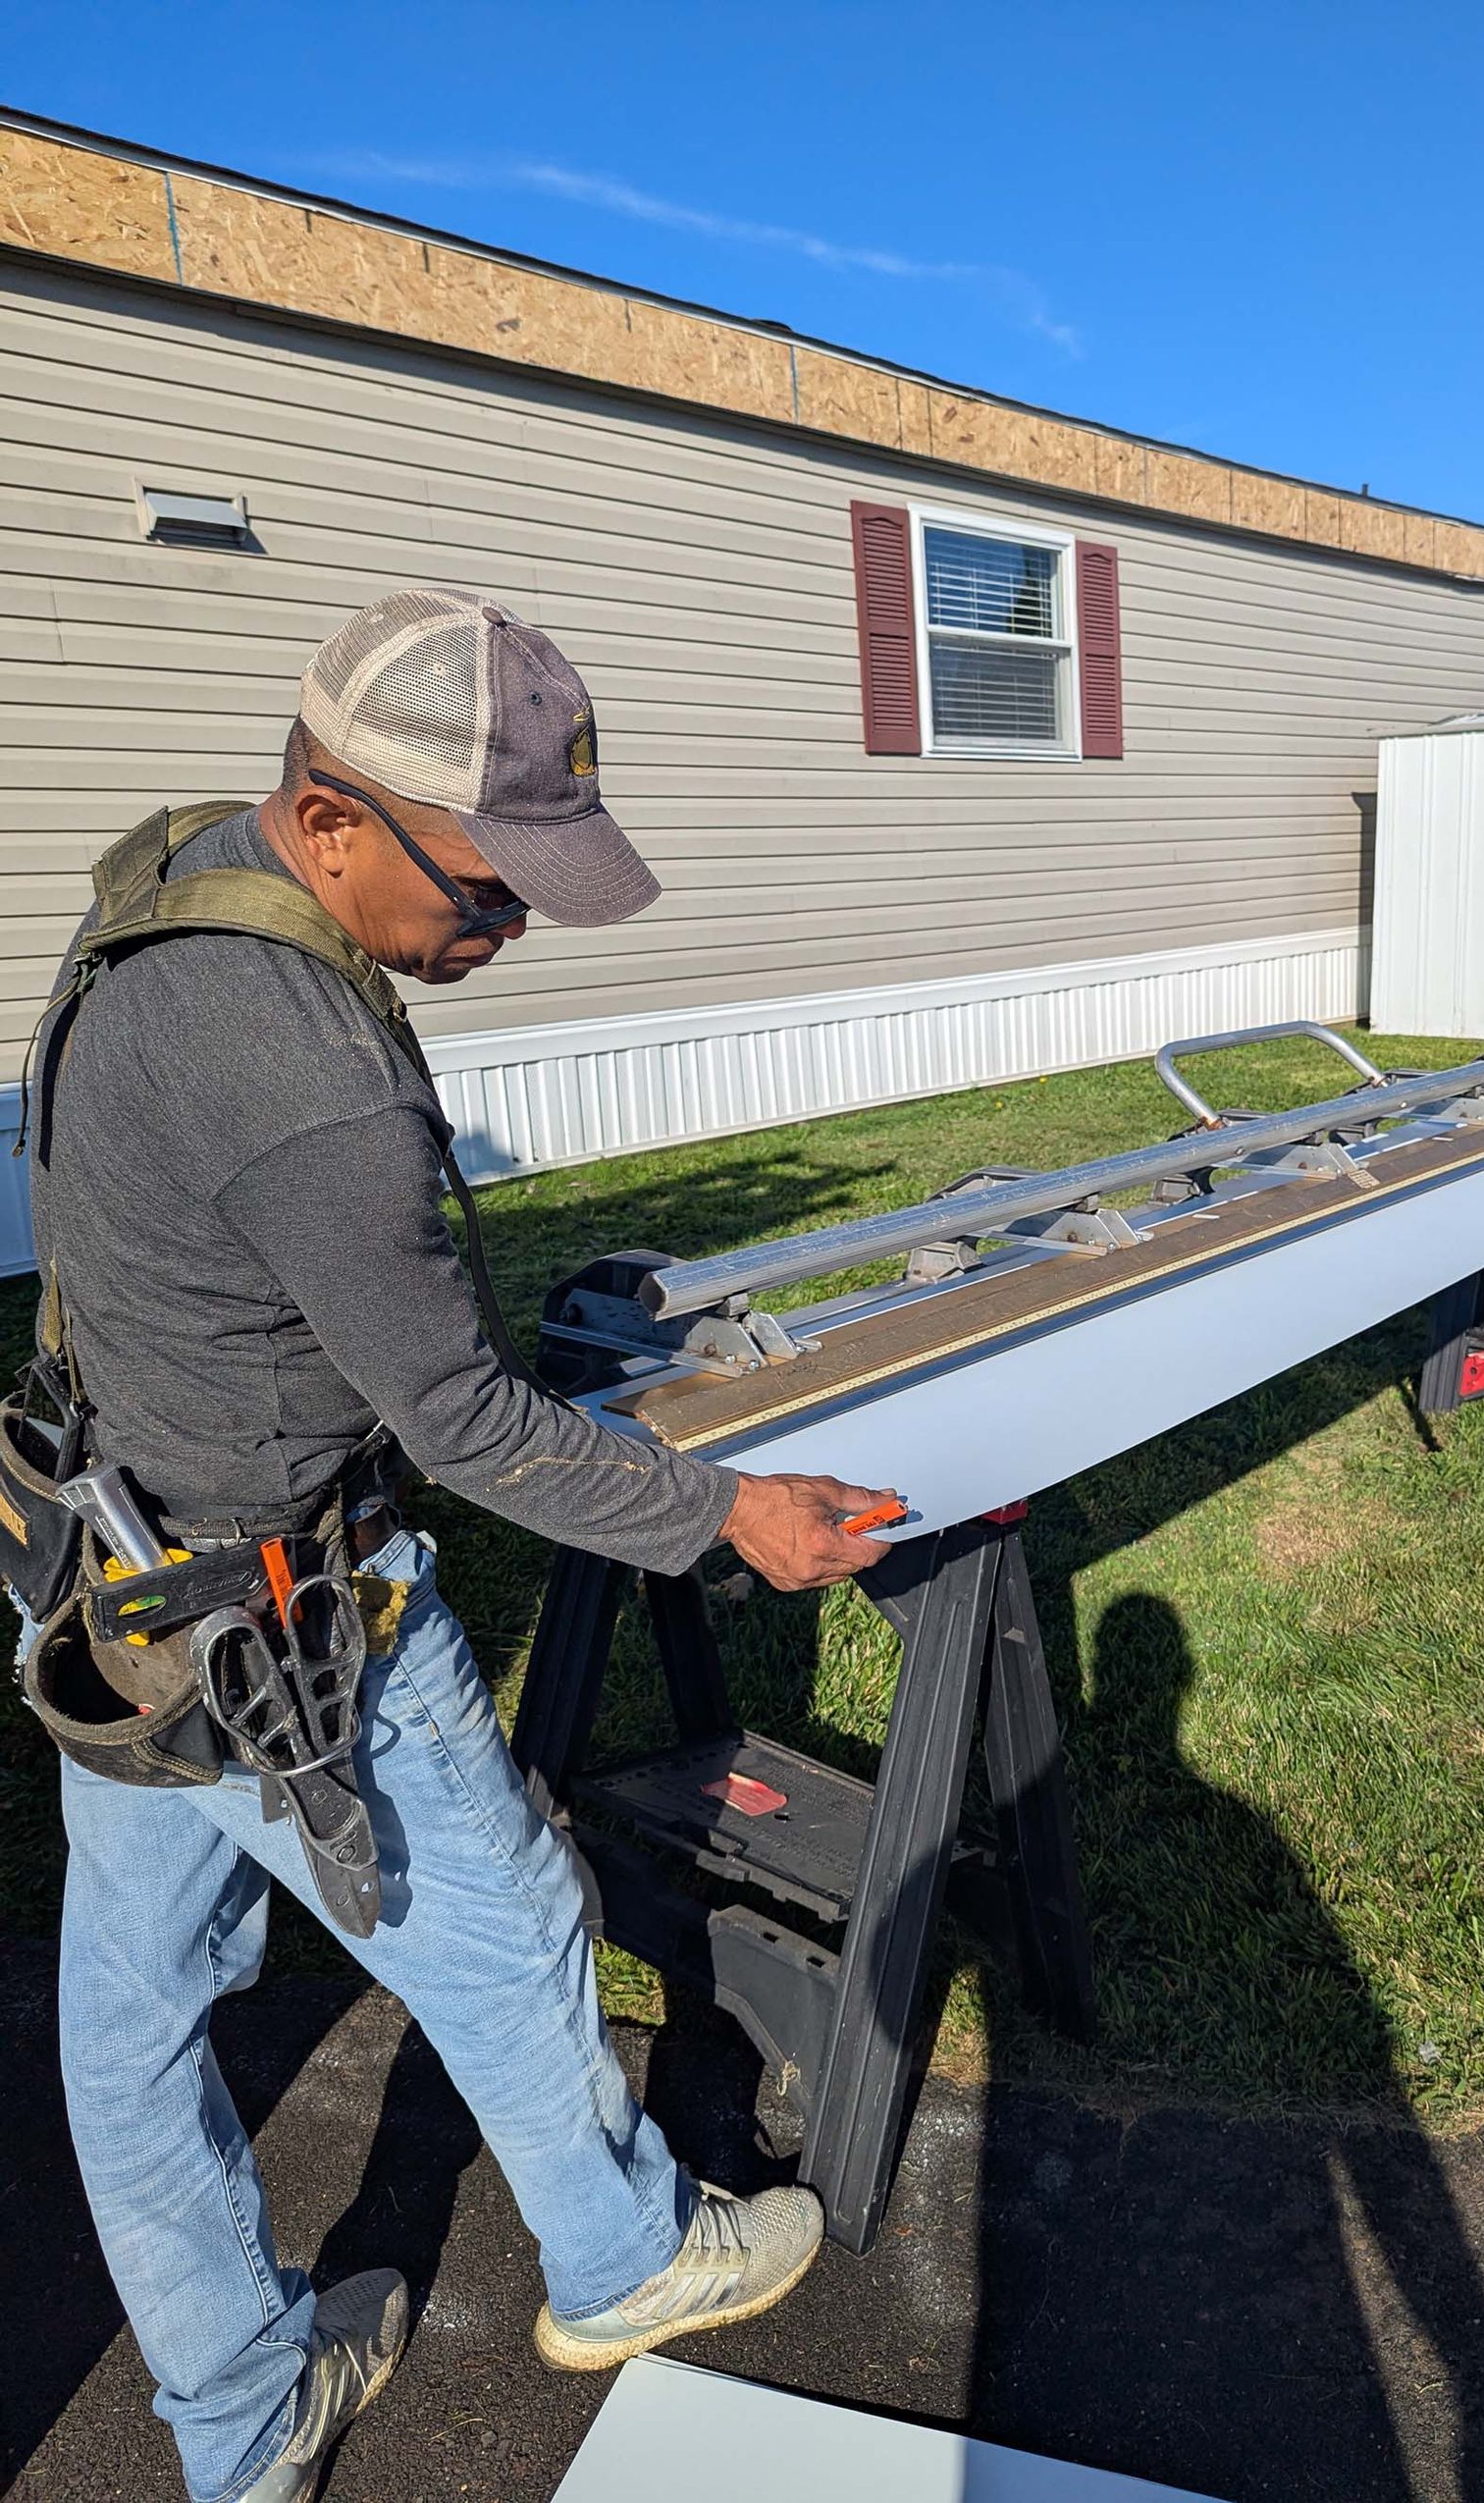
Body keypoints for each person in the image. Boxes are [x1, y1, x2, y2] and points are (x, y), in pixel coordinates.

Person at [24, 586, 898, 2503]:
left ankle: (244, 2427)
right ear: (333, 820)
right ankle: (626, 2255)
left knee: (129, 2021)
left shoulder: (171, 879)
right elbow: (469, 1424)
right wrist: (728, 1513)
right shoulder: (319, 1082)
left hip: (119, 1568)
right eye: (486, 889)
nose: (505, 931)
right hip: (285, 1609)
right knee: (509, 1939)